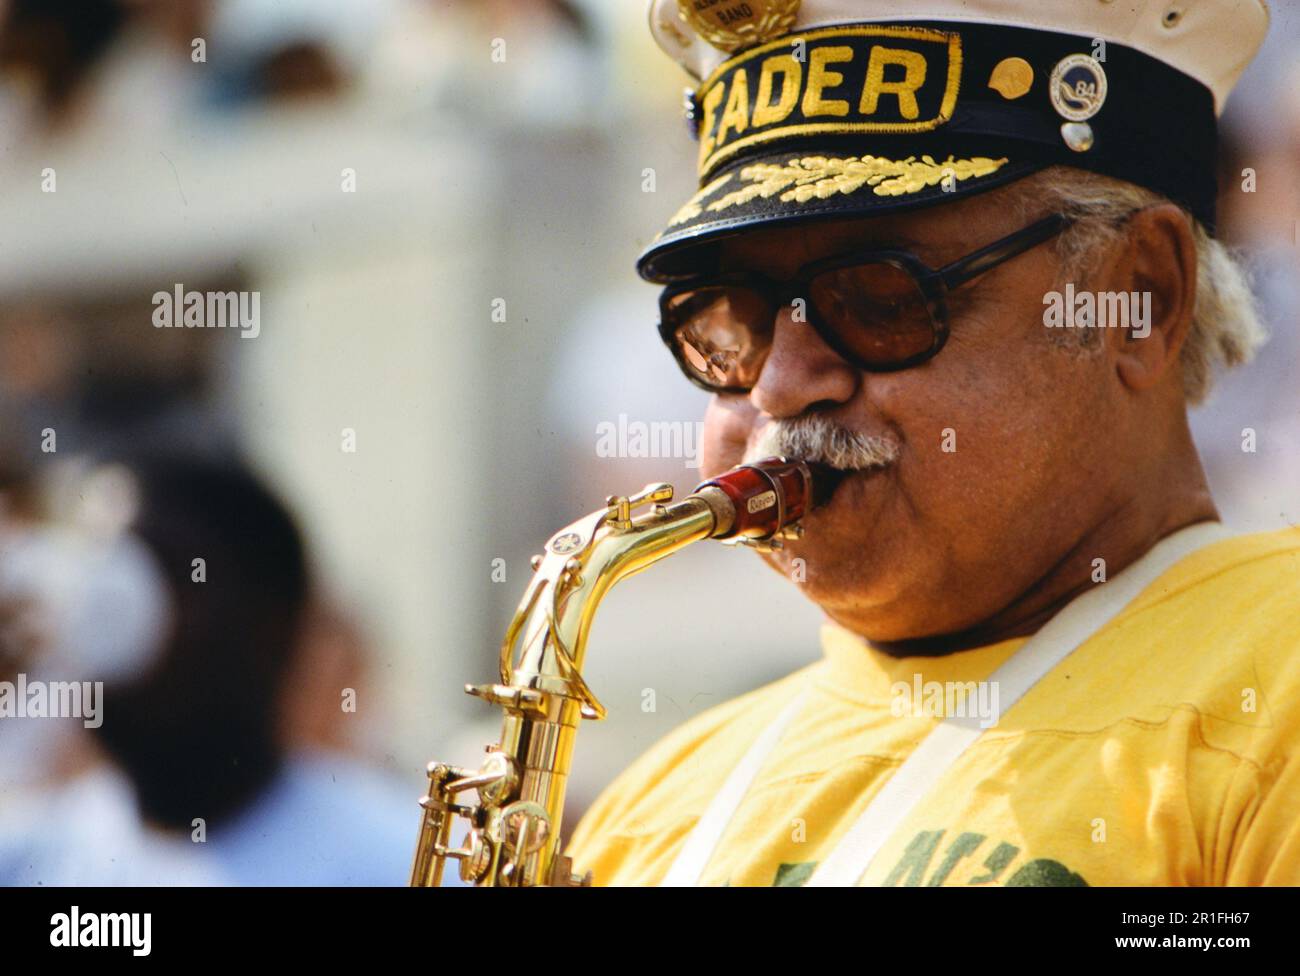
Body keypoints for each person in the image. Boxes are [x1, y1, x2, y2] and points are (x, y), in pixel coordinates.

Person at [563, 0, 1299, 886]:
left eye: (881, 297)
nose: (779, 386)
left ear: (1137, 299)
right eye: (731, 319)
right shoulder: (646, 813)